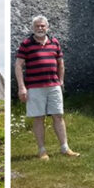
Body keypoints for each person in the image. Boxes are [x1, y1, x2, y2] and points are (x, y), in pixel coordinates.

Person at [15, 14, 80, 159]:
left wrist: (61, 81)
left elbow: (60, 63)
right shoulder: (26, 44)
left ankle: (65, 148)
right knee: (39, 118)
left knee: (58, 116)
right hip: (35, 87)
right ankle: (42, 150)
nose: (40, 28)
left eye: (42, 26)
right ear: (33, 28)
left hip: (53, 85)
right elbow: (18, 65)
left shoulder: (54, 42)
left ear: (47, 27)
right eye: (37, 26)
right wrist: (22, 87)